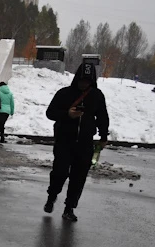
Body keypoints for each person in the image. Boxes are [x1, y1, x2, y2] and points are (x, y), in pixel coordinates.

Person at [44, 61, 109, 221]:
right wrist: (67, 114)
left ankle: (69, 208)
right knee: (59, 173)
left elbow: (102, 117)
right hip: (64, 141)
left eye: (87, 81)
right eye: (81, 80)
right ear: (76, 79)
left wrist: (103, 137)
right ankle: (52, 197)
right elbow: (50, 113)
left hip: (85, 144)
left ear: (92, 81)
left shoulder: (97, 96)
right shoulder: (64, 93)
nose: (83, 84)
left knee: (78, 177)